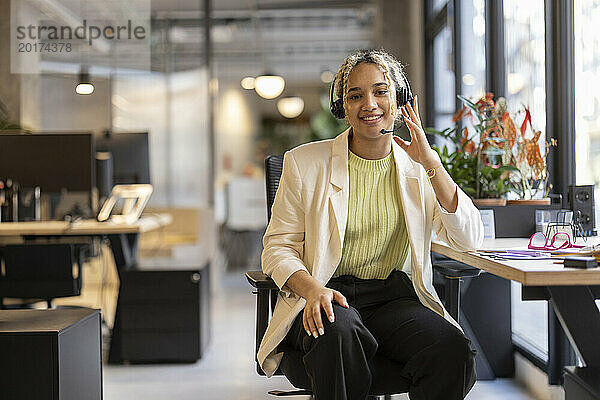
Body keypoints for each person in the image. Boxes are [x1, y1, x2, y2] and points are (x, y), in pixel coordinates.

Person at [258, 49, 484, 400]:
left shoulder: (420, 168)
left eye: (381, 91)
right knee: (338, 333)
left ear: (400, 99)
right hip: (326, 294)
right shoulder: (304, 163)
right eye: (355, 95)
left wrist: (432, 164)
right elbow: (277, 247)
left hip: (393, 298)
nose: (369, 104)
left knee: (450, 350)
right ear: (342, 107)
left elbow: (469, 239)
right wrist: (312, 289)